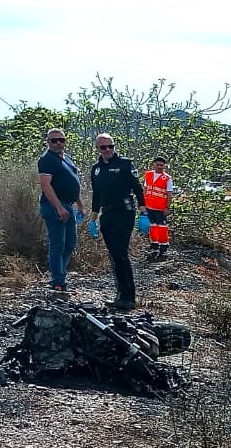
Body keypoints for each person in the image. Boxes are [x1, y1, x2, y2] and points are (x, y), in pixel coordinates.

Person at [88, 133, 146, 310]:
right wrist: (93, 219)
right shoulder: (96, 169)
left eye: (110, 146)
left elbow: (137, 188)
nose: (107, 150)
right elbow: (97, 195)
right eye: (103, 147)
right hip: (107, 214)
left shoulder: (125, 164)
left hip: (124, 211)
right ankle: (120, 294)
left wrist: (144, 213)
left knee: (121, 253)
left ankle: (129, 297)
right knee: (114, 256)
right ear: (97, 148)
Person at [37, 127, 82, 296]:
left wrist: (80, 204)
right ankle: (58, 281)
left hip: (68, 204)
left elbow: (74, 182)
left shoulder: (66, 158)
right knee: (57, 244)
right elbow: (46, 185)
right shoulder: (47, 159)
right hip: (54, 206)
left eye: (61, 140)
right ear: (47, 142)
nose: (58, 143)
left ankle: (59, 275)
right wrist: (58, 207)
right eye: (54, 140)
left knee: (70, 242)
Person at [142, 156, 175, 260]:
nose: (160, 167)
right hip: (149, 206)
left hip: (160, 208)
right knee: (152, 226)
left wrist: (167, 207)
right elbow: (145, 189)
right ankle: (154, 245)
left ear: (164, 166)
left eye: (162, 165)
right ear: (154, 164)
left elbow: (169, 194)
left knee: (162, 227)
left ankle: (163, 247)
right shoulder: (148, 175)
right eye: (158, 165)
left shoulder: (167, 178)